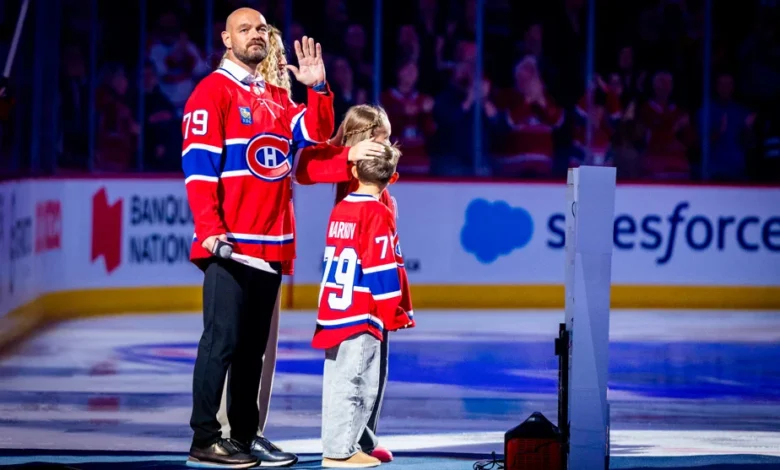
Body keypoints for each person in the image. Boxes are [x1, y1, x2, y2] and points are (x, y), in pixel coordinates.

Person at [182, 8, 387, 468]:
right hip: (231, 244)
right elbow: (198, 168)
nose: (255, 35)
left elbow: (315, 133)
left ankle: (244, 436)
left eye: (260, 29)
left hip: (271, 246)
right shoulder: (211, 92)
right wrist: (211, 231)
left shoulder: (275, 96)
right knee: (221, 343)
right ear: (226, 39)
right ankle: (205, 438)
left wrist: (318, 88)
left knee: (252, 352)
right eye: (244, 29)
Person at [297, 105, 400, 464]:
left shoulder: (377, 184)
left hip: (368, 270)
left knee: (375, 364)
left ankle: (363, 438)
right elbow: (305, 170)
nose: (387, 146)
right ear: (363, 139)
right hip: (358, 281)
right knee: (355, 366)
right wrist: (348, 154)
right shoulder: (349, 168)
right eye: (382, 139)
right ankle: (346, 444)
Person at [313, 139, 415, 468]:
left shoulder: (341, 208)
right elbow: (380, 267)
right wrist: (392, 312)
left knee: (336, 382)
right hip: (361, 313)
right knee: (358, 382)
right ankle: (341, 451)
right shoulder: (377, 212)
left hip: (333, 311)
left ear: (354, 172)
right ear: (392, 178)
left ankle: (336, 444)